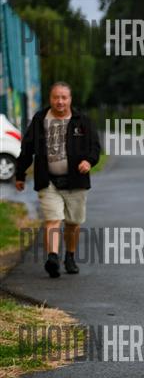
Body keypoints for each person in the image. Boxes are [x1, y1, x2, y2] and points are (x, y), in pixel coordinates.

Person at [15, 81, 100, 278]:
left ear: (70, 99)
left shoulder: (82, 121)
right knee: (53, 219)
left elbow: (95, 147)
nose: (60, 101)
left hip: (76, 181)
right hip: (48, 180)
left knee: (73, 223)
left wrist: (89, 161)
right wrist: (20, 174)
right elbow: (27, 149)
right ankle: (52, 258)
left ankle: (69, 256)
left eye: (64, 97)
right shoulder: (39, 120)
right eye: (56, 97)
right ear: (50, 98)